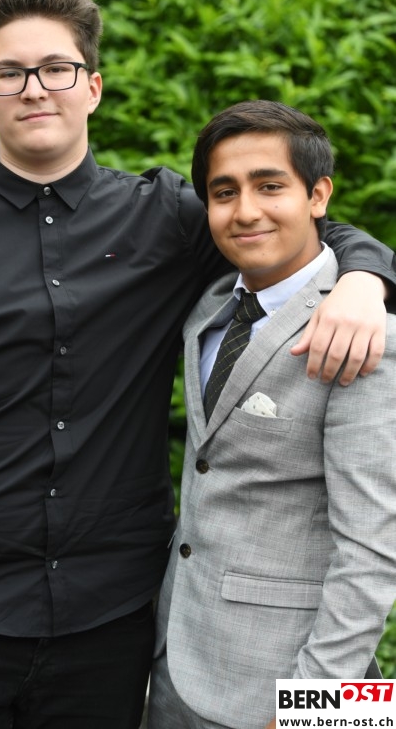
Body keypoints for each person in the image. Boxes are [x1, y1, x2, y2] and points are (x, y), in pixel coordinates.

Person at [0, 0, 394, 729]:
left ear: (93, 88)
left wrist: (366, 277)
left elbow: (284, 223)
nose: (34, 88)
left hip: (111, 627)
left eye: (57, 68)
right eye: (11, 73)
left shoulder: (169, 219)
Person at [148, 100, 396, 729]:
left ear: (318, 195)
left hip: (292, 682)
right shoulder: (209, 306)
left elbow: (374, 548)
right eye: (224, 192)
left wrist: (315, 708)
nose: (246, 211)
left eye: (270, 186)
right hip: (175, 660)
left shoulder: (370, 333)